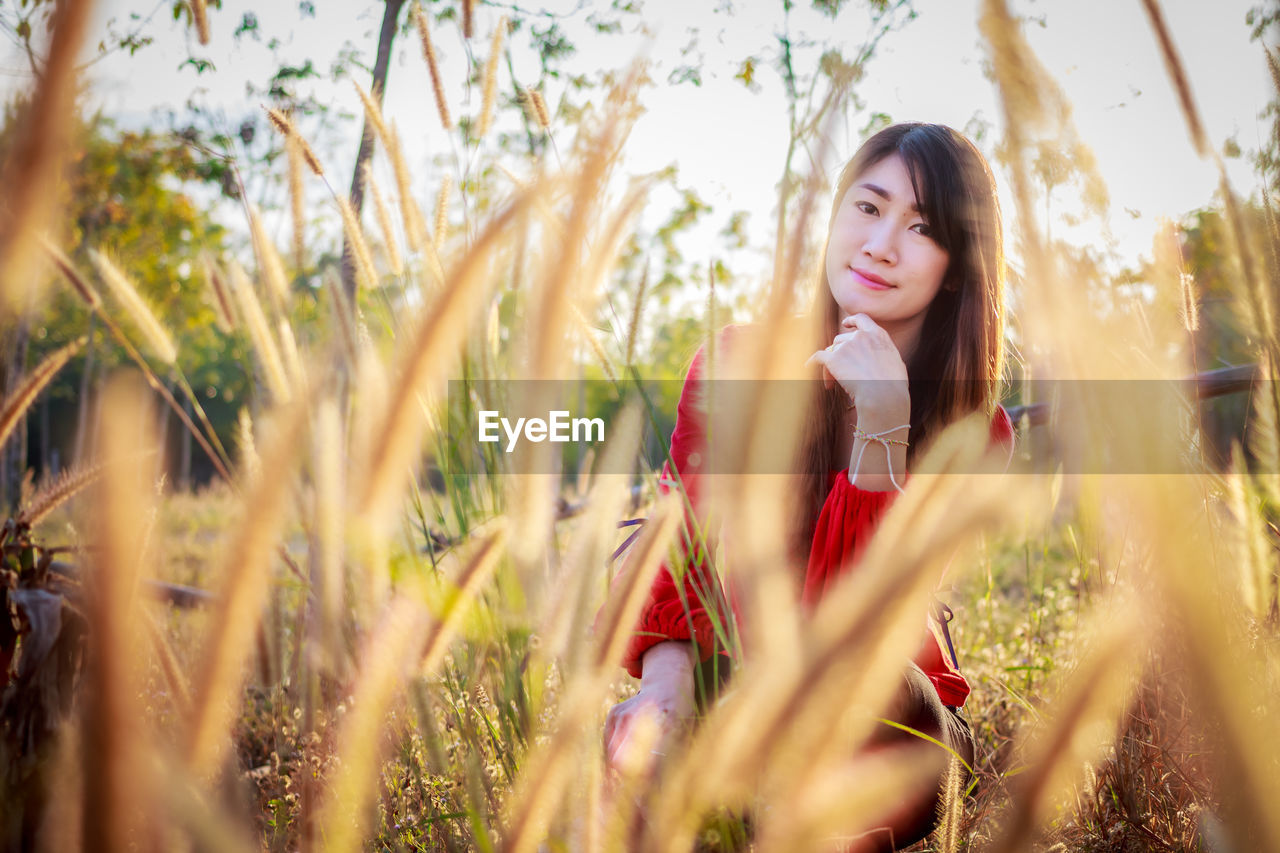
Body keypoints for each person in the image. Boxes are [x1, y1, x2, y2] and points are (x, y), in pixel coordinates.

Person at [602, 122, 1014, 850]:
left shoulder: (975, 433)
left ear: (955, 266)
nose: (881, 243)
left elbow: (853, 631)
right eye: (867, 207)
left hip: (886, 729)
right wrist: (663, 696)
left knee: (887, 694)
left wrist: (882, 427)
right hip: (741, 694)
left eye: (921, 227)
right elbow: (681, 541)